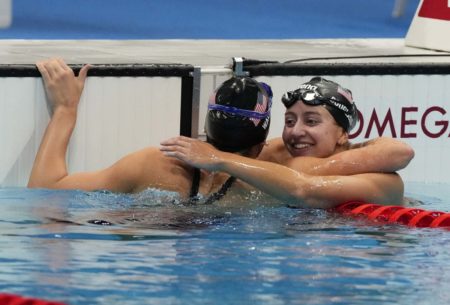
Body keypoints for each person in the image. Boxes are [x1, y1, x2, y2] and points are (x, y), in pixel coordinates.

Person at [28, 58, 274, 204]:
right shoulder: (271, 185)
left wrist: (65, 109)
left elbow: (44, 193)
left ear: (205, 129)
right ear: (258, 149)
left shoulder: (155, 165)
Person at [160, 77, 415, 209]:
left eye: (312, 121)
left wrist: (219, 159)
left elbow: (401, 151)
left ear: (343, 133)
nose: (296, 132)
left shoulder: (382, 180)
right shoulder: (277, 155)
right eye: (290, 121)